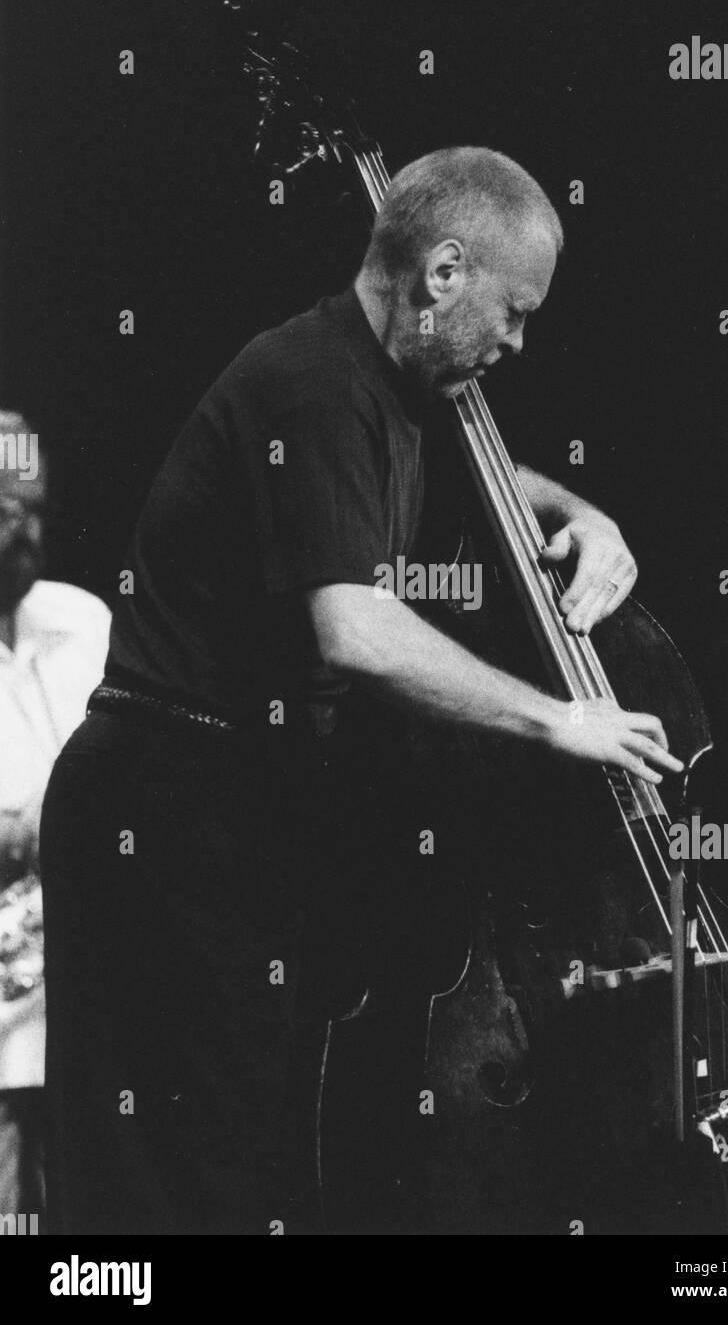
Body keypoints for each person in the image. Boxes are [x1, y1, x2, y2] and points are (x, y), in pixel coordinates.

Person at [39, 147, 682, 1235]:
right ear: (440, 273)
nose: (518, 342)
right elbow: (356, 627)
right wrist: (560, 716)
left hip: (229, 800)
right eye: (513, 311)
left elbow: (483, 475)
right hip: (165, 800)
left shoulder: (386, 389)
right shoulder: (310, 380)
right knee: (173, 1179)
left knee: (242, 1156)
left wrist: (584, 514)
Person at [0, 411, 110, 1227]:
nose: (19, 526)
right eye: (1, 504)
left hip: (87, 1005)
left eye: (32, 504)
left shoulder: (84, 620)